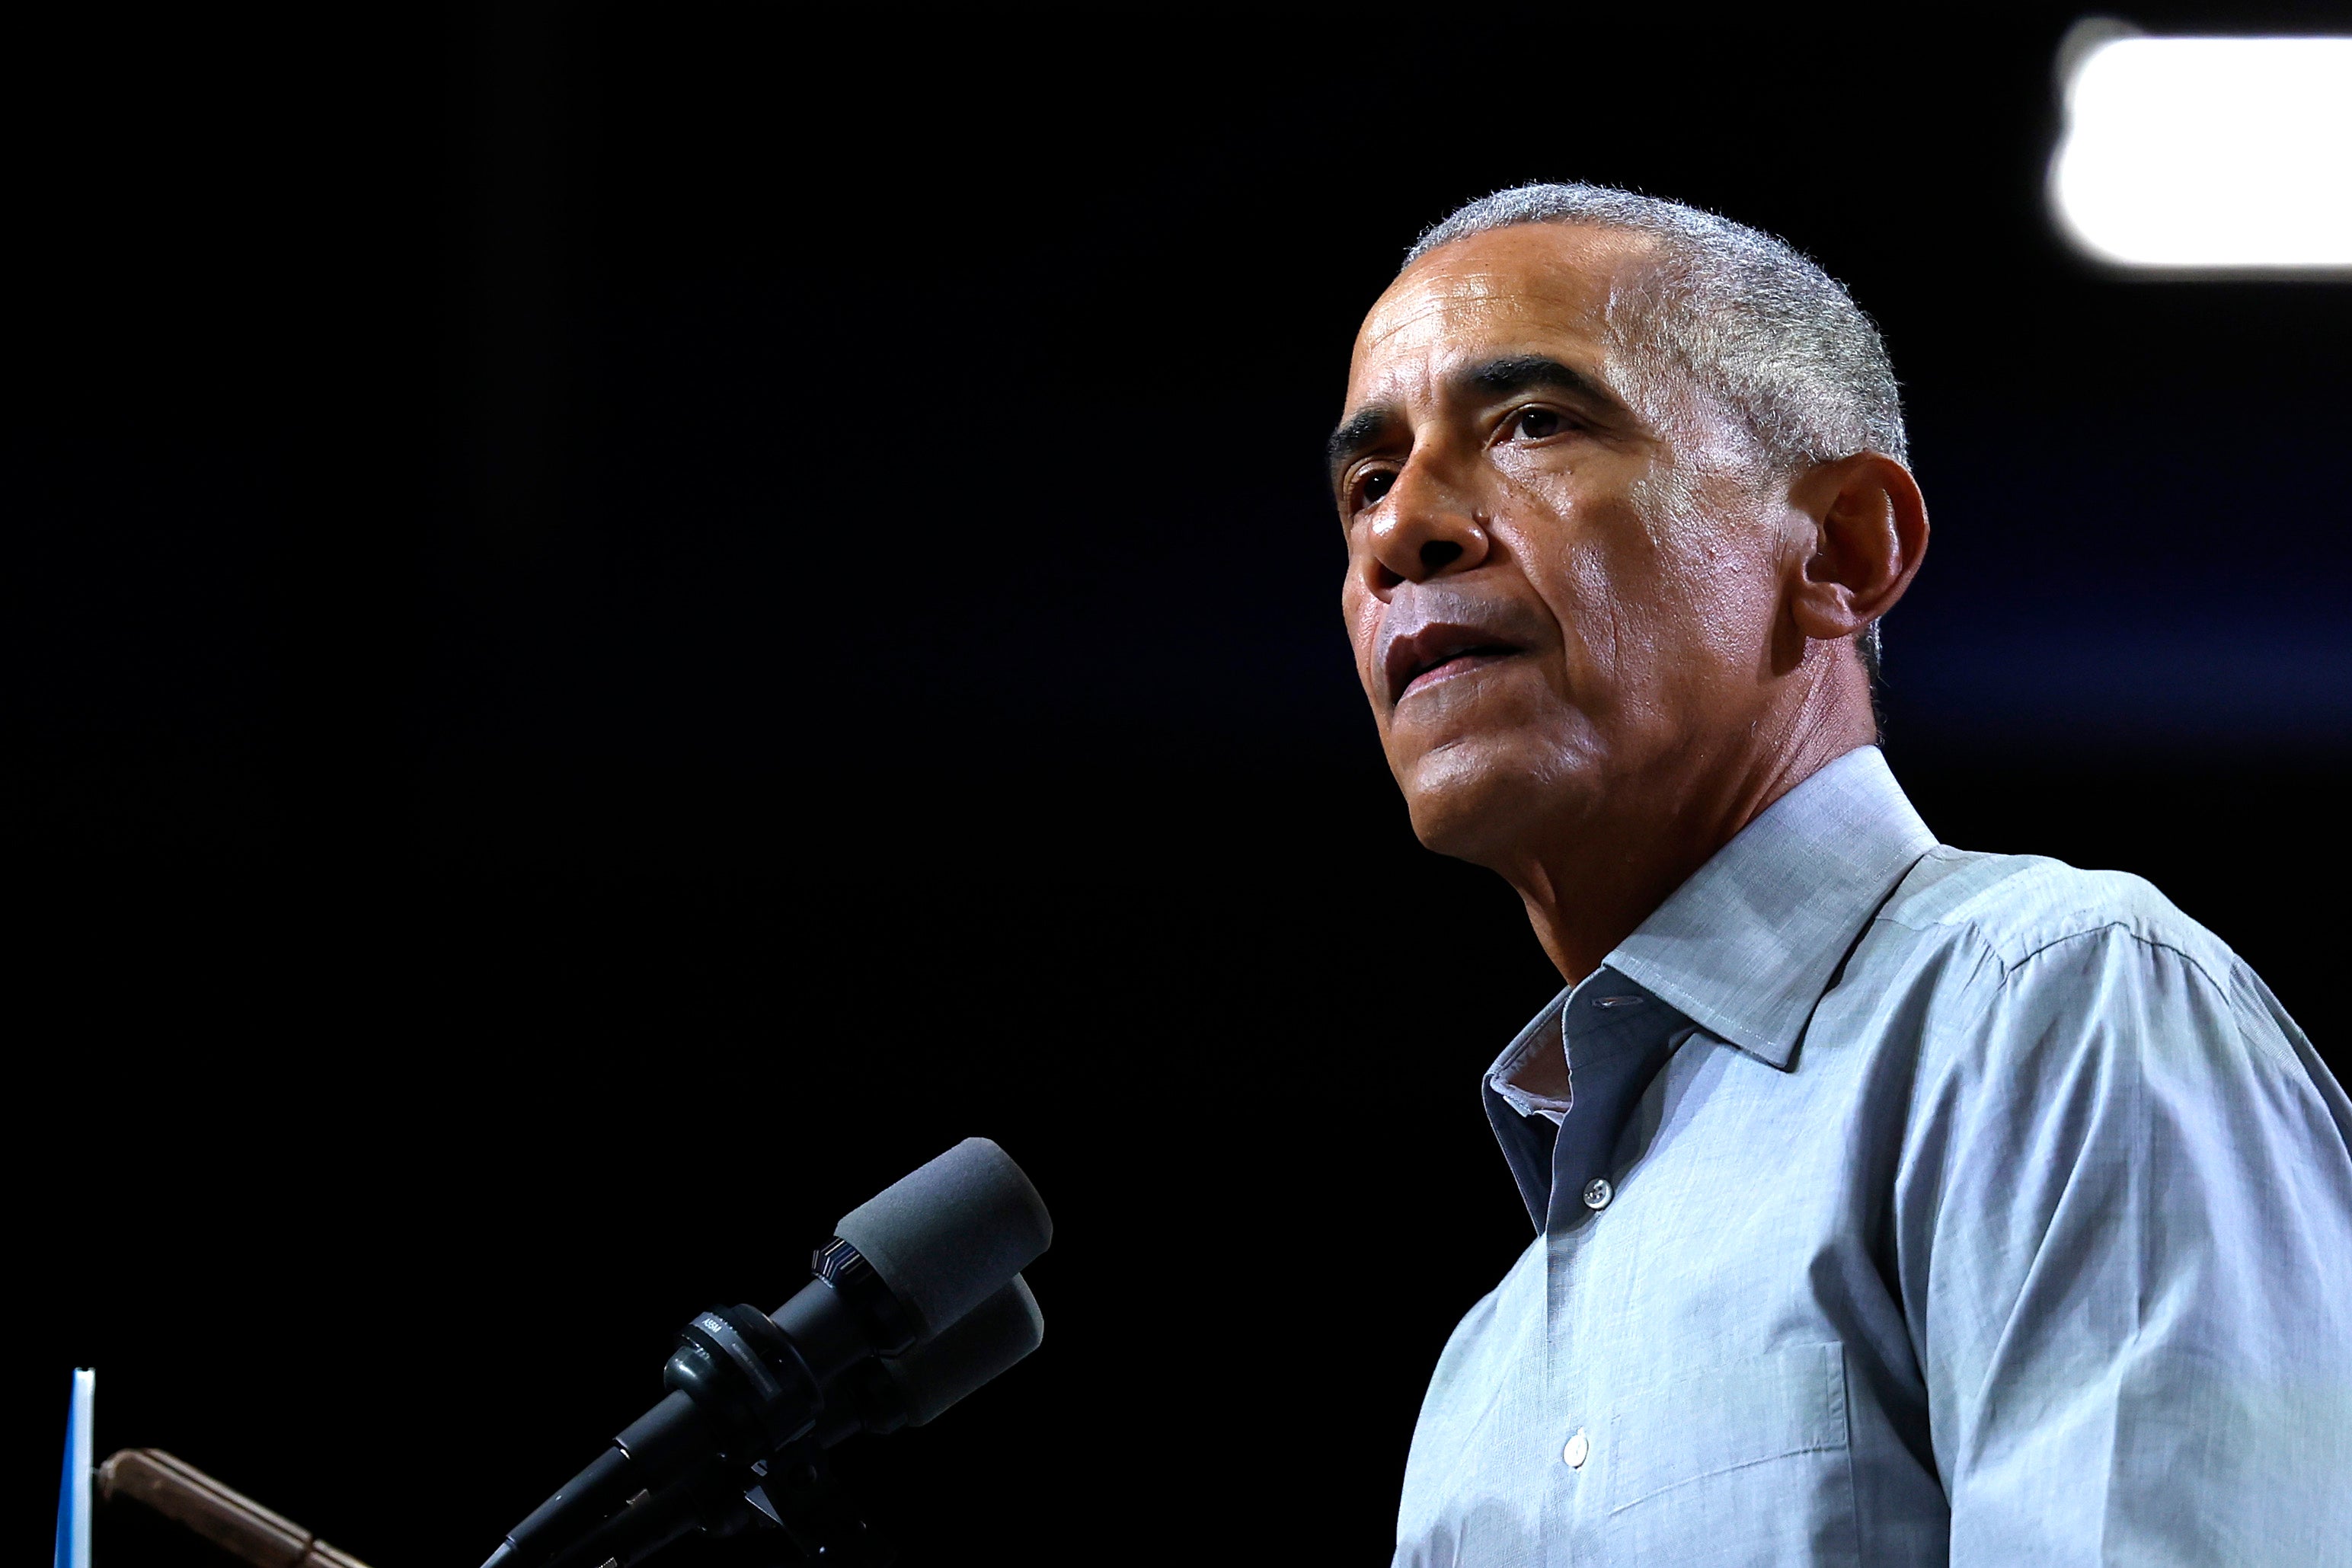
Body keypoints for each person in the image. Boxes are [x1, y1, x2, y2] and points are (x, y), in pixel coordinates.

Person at [1333, 184, 2352, 1566]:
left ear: (1841, 550)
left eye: (1533, 423)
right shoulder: (1482, 1379)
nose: (1404, 532)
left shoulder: (2049, 1017)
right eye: (1367, 480)